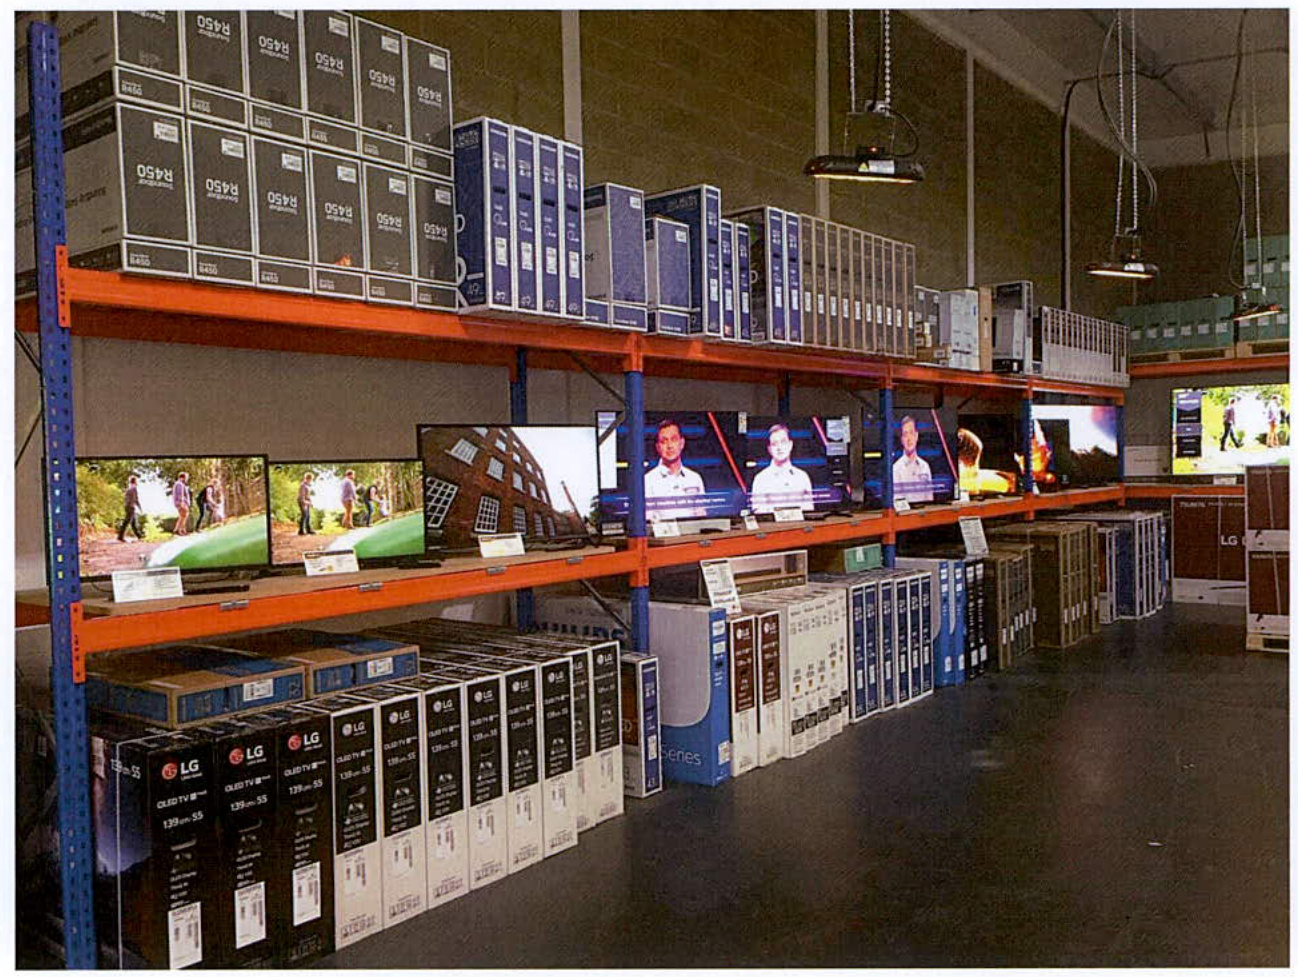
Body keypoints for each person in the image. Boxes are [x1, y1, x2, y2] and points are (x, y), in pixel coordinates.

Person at [644, 418, 707, 519]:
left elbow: (701, 517)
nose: (669, 446)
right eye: (664, 441)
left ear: (681, 443)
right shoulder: (647, 481)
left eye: (673, 439)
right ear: (658, 447)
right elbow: (647, 521)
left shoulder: (695, 478)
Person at [751, 422, 815, 513]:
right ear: (769, 449)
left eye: (783, 442)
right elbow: (758, 512)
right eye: (774, 444)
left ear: (790, 445)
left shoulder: (803, 477)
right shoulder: (760, 479)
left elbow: (809, 510)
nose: (779, 447)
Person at [891, 415, 934, 503]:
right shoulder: (896, 469)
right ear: (902, 439)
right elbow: (898, 501)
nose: (909, 439)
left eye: (911, 433)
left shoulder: (925, 466)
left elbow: (930, 498)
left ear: (916, 436)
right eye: (905, 434)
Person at [116, 475, 144, 542]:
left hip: (128, 506)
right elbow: (135, 499)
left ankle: (139, 536)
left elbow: (128, 498)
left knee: (133, 523)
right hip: (131, 507)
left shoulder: (129, 488)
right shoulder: (134, 488)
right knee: (126, 522)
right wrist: (139, 507)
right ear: (135, 481)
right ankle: (120, 536)